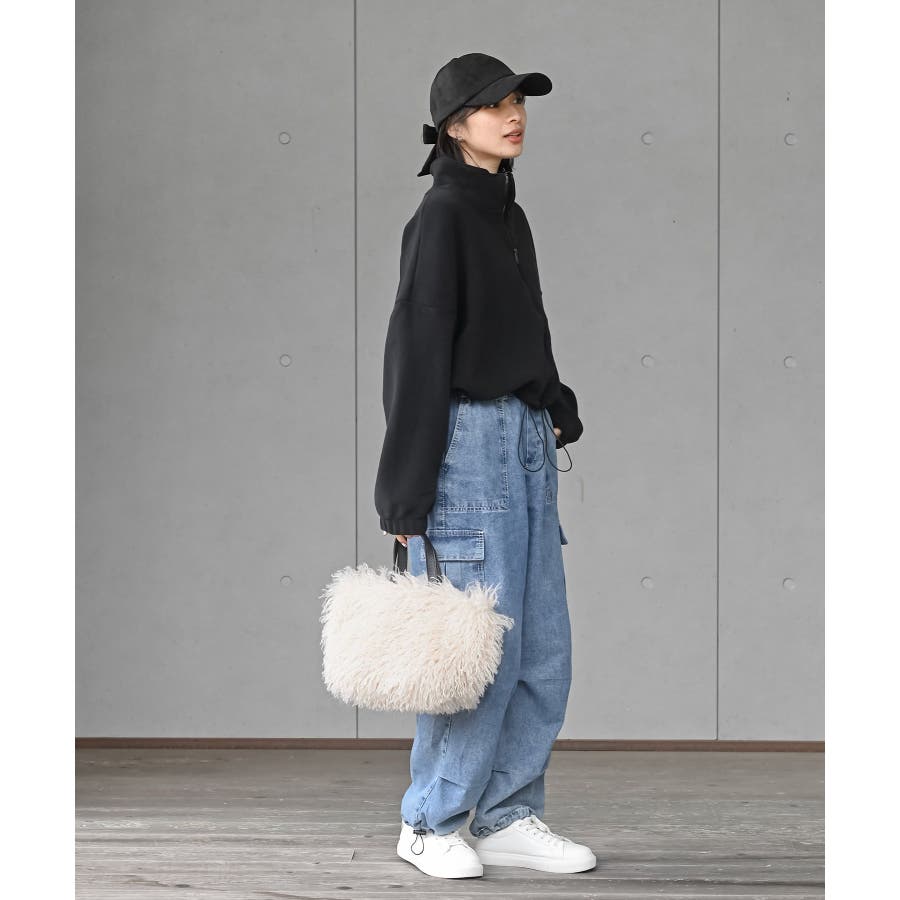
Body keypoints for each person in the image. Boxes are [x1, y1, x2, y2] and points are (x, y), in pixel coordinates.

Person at [373, 52, 596, 880]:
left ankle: (506, 814)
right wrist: (406, 496)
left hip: (525, 440)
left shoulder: (508, 214)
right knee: (474, 655)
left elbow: (524, 326)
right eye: (493, 105)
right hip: (466, 446)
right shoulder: (442, 217)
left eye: (518, 102)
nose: (514, 114)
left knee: (542, 651)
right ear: (453, 127)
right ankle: (429, 822)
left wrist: (553, 401)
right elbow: (417, 350)